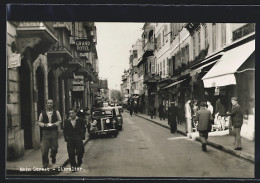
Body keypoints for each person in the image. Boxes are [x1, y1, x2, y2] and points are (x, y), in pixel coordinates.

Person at [38, 99, 62, 168]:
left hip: (54, 131)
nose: (49, 105)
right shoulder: (42, 113)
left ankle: (53, 156)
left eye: (51, 103)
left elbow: (60, 120)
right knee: (44, 149)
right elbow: (39, 122)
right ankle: (45, 163)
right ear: (46, 104)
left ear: (53, 104)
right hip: (45, 132)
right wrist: (44, 125)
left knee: (55, 147)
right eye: (48, 103)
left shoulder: (56, 112)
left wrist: (55, 124)